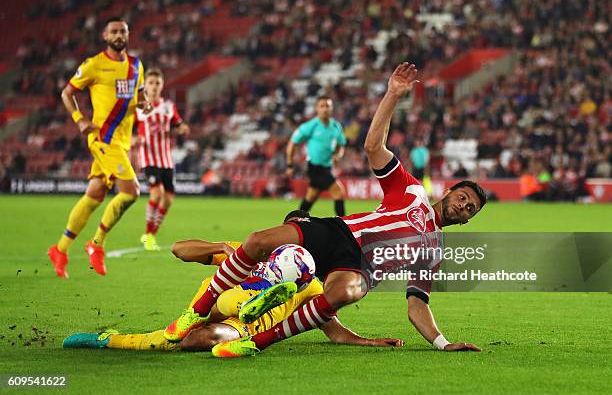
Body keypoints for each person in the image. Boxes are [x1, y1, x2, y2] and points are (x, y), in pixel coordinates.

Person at [164, 63, 487, 357]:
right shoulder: (412, 189)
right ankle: (198, 310)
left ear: (469, 219)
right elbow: (374, 147)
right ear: (448, 191)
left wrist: (443, 343)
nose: (464, 206)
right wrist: (392, 95)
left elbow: (417, 304)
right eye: (462, 197)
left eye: (470, 208)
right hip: (339, 232)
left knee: (347, 291)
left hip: (356, 267)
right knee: (258, 241)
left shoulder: (434, 251)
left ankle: (255, 342)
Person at [63, 211, 403, 352]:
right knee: (175, 334)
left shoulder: (312, 284)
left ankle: (114, 341)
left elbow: (333, 329)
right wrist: (219, 248)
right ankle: (108, 339)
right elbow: (180, 250)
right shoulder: (247, 253)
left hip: (244, 327)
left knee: (202, 339)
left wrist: (366, 341)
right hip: (216, 300)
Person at [47, 17, 150, 279]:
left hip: (122, 141)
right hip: (103, 138)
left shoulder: (136, 65)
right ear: (105, 36)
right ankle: (96, 243)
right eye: (114, 31)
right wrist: (79, 119)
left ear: (128, 35)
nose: (118, 35)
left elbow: (139, 95)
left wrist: (144, 103)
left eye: (123, 31)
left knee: (94, 195)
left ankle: (60, 249)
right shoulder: (93, 65)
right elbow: (67, 93)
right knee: (131, 191)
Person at [135, 69, 189, 251]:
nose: (154, 87)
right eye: (150, 83)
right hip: (149, 157)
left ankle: (151, 234)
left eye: (157, 83)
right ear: (145, 86)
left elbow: (178, 124)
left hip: (166, 159)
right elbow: (126, 130)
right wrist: (132, 140)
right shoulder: (139, 107)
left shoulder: (168, 106)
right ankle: (148, 235)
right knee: (156, 194)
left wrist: (182, 129)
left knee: (168, 199)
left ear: (162, 85)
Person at [286, 96, 347, 216]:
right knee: (338, 192)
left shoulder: (336, 126)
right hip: (315, 167)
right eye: (322, 106)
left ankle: (296, 219)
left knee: (311, 196)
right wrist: (289, 164)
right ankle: (344, 225)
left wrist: (337, 155)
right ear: (317, 109)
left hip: (327, 167)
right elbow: (292, 143)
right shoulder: (310, 126)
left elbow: (341, 145)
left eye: (327, 106)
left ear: (332, 108)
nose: (325, 109)